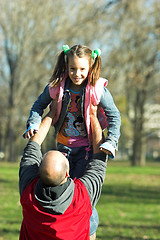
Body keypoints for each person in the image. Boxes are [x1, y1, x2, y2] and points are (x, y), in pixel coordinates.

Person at [23, 44, 121, 179]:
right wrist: (33, 123)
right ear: (66, 67)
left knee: (79, 187)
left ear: (90, 67)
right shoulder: (56, 87)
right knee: (60, 185)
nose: (77, 74)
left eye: (82, 69)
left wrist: (111, 141)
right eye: (72, 69)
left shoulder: (97, 90)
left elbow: (114, 115)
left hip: (87, 149)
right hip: (63, 146)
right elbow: (38, 105)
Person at [19, 102, 108, 240]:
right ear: (68, 173)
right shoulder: (82, 196)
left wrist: (51, 114)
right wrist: (92, 116)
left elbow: (32, 148)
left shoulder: (28, 191)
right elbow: (98, 159)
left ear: (38, 171)